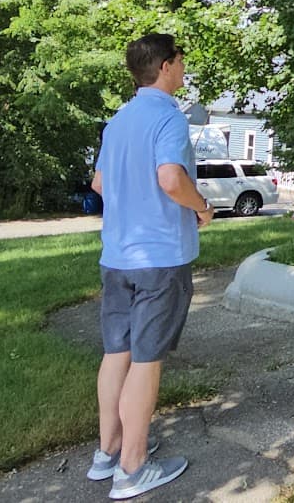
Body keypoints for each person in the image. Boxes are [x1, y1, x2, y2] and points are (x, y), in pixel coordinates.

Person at [87, 33, 214, 500]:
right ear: (165, 66)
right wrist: (201, 207)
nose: (183, 69)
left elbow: (100, 182)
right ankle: (134, 467)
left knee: (116, 353)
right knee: (146, 359)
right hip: (160, 258)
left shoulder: (118, 121)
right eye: (181, 61)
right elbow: (170, 178)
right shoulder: (169, 118)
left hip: (116, 257)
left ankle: (109, 452)